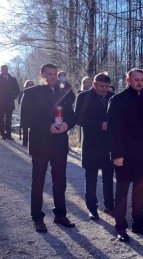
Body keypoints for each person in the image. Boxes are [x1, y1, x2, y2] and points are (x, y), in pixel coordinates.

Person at [20, 63, 76, 233]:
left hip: (59, 144)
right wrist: (47, 127)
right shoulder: (30, 93)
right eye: (49, 74)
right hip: (40, 143)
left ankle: (60, 214)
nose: (53, 76)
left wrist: (67, 124)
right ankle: (37, 218)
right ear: (42, 74)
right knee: (38, 181)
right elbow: (25, 120)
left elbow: (72, 116)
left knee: (60, 181)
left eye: (55, 74)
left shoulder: (63, 92)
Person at [108, 68, 143, 242]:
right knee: (122, 193)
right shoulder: (117, 100)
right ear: (127, 80)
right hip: (124, 154)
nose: (139, 82)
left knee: (140, 191)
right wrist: (116, 154)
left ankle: (138, 223)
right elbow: (113, 130)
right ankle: (120, 227)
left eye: (141, 79)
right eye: (136, 79)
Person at [75, 72, 114, 220]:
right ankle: (92, 208)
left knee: (108, 177)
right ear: (94, 84)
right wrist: (99, 125)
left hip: (108, 145)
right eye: (101, 86)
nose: (104, 89)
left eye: (106, 86)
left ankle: (110, 205)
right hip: (91, 144)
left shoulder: (112, 97)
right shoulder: (83, 97)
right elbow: (78, 119)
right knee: (91, 177)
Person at [0, 65, 20, 140]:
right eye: (3, 69)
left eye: (6, 69)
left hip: (10, 103)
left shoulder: (13, 79)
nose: (5, 70)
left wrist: (13, 97)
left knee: (9, 119)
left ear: (8, 70)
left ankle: (9, 135)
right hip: (1, 103)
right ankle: (2, 134)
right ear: (1, 70)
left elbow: (17, 90)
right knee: (1, 119)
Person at [18, 80, 35, 146]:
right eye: (29, 84)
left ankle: (32, 144)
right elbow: (19, 101)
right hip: (24, 113)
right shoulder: (23, 92)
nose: (30, 85)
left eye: (32, 84)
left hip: (33, 113)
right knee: (25, 129)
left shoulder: (35, 92)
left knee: (33, 129)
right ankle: (25, 143)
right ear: (26, 85)